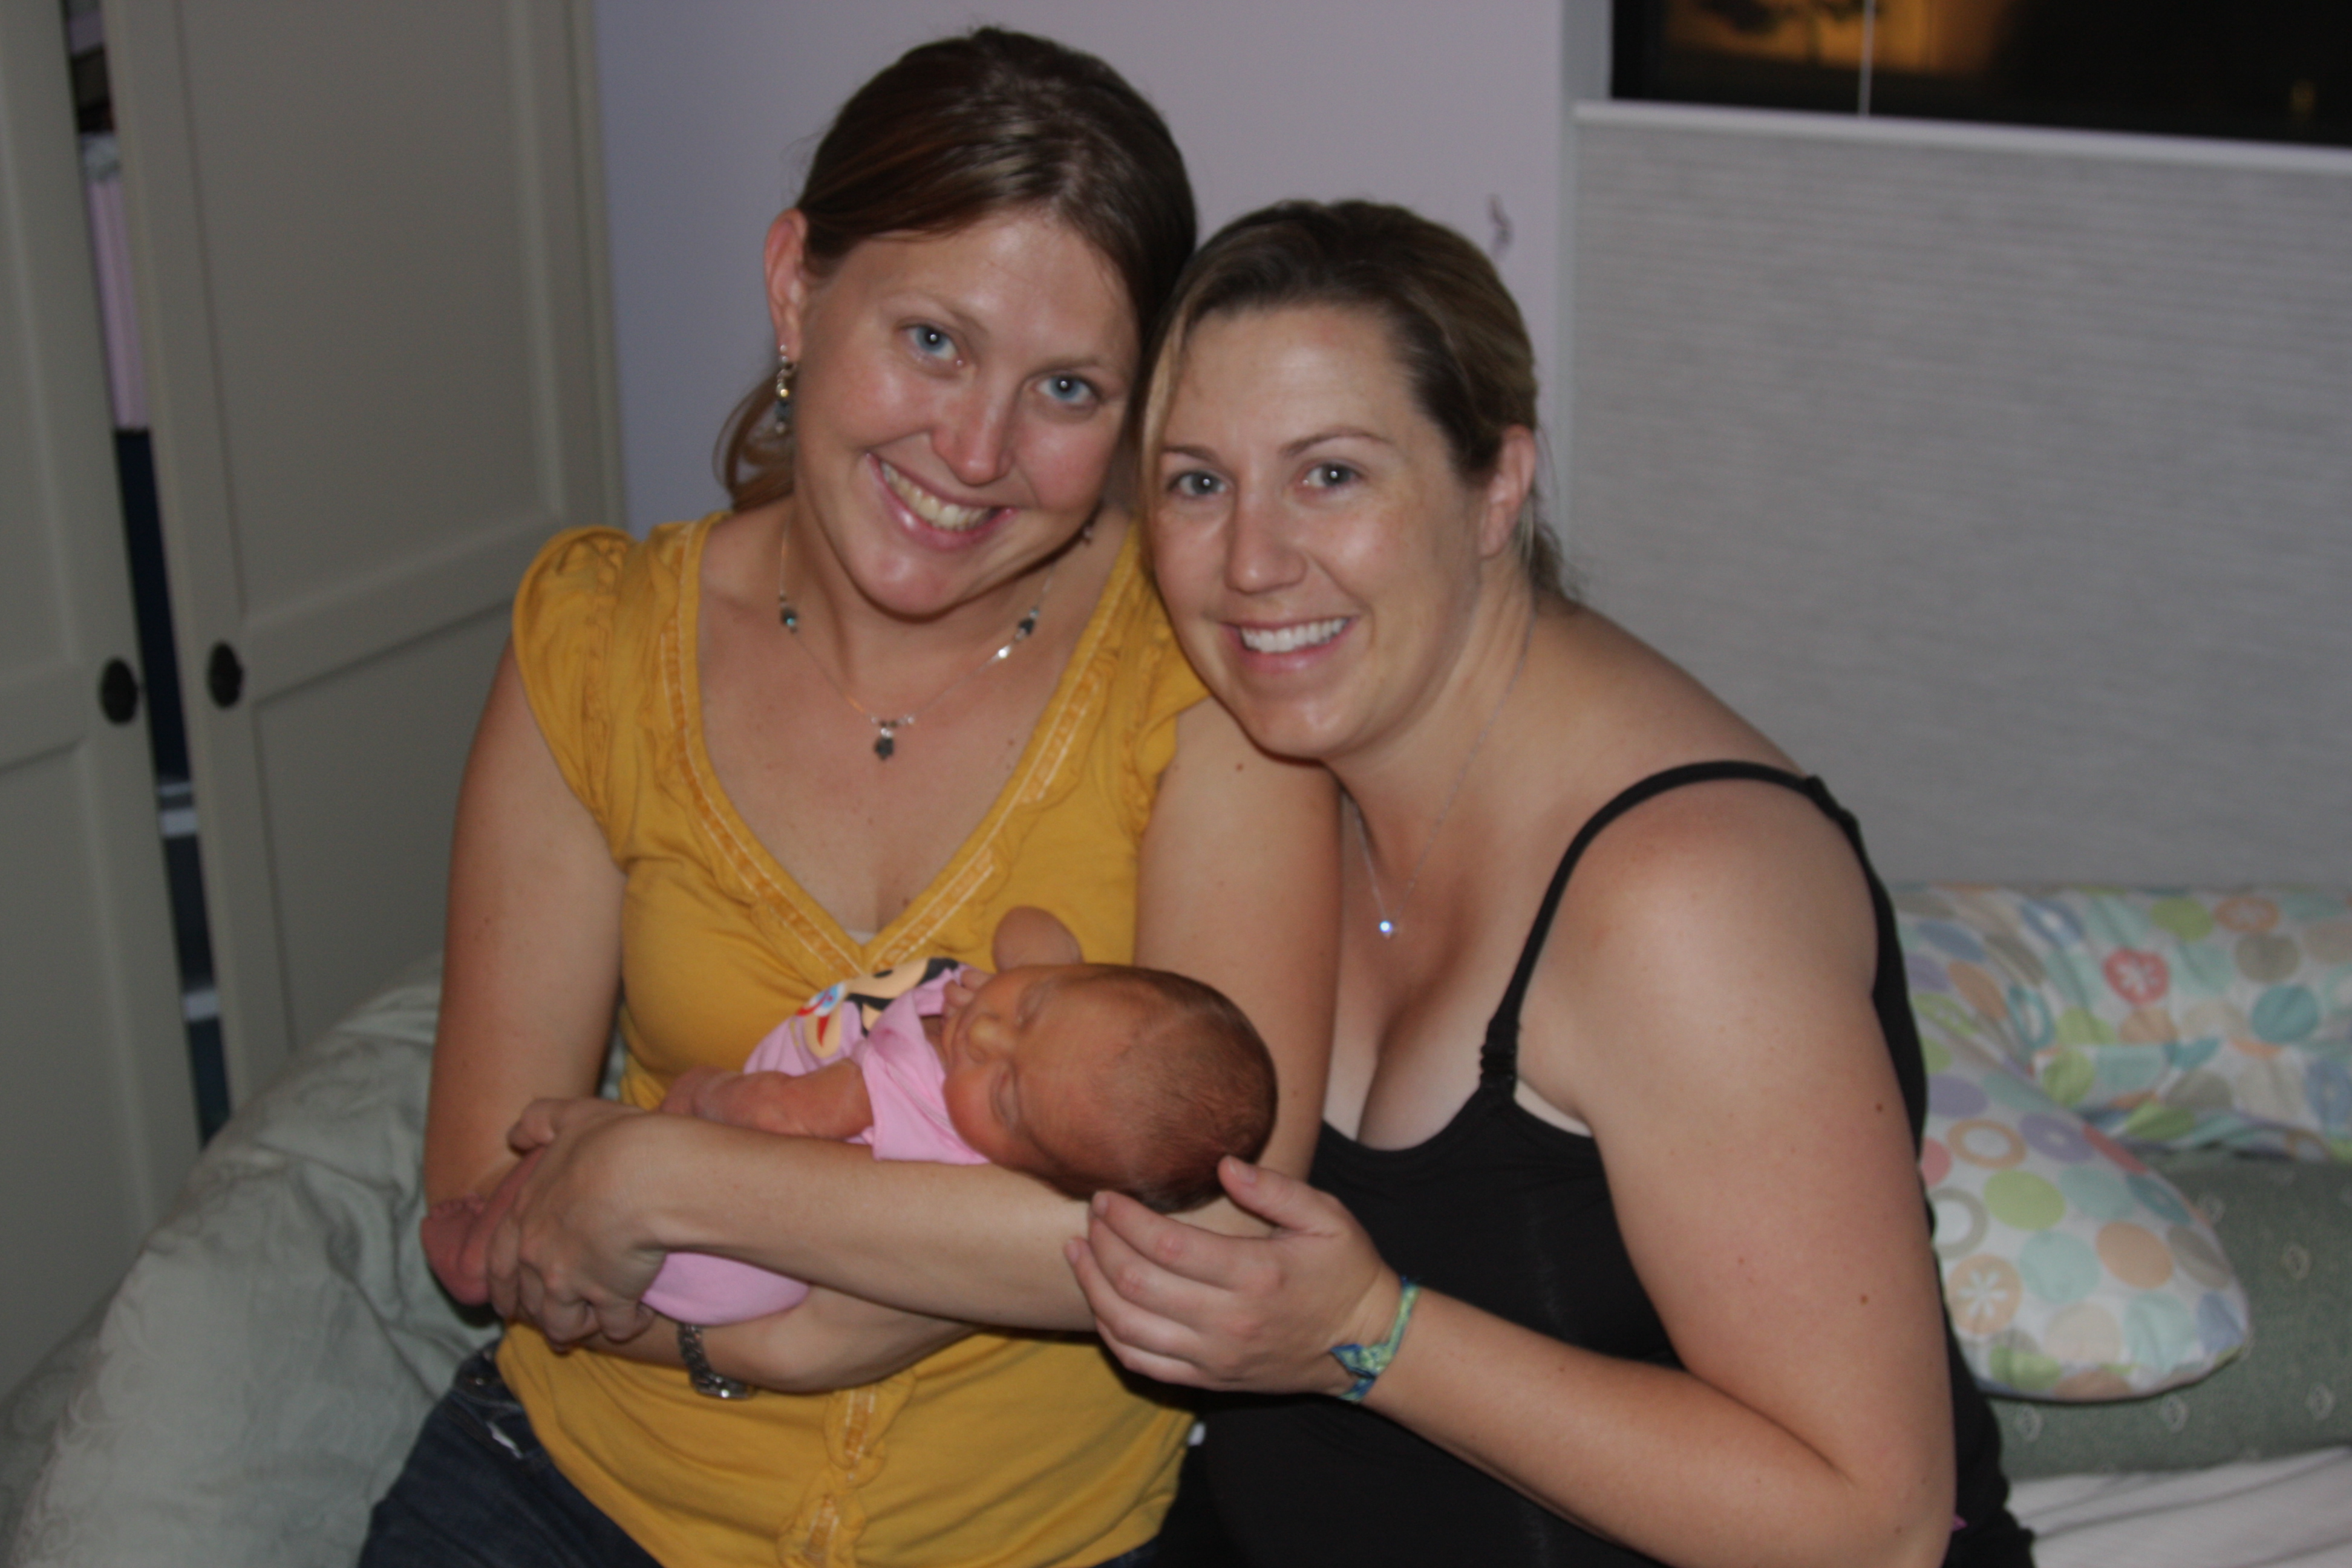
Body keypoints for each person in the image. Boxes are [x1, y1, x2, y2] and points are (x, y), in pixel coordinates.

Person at [364, 30, 1336, 1568]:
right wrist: (888, 1280)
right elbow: (492, 1206)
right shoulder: (596, 644)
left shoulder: (1204, 679)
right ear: (795, 287)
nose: (975, 450)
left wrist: (671, 1181)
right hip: (565, 1495)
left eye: (1066, 387)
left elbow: (1219, 1223)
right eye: (933, 340)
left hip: (1033, 1538)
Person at [1065, 200, 2031, 1567]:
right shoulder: (1265, 763)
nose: (1252, 563)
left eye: (1331, 475)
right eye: (1196, 483)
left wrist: (1369, 1334)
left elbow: (1871, 1525)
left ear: (1497, 485)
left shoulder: (1682, 899)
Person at [420, 907, 1277, 1325]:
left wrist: (700, 1099)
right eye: (1031, 1010)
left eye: (1005, 1093)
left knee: (582, 1153)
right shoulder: (1052, 1059)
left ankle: (477, 1250)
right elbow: (1032, 930)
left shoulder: (903, 1087)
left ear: (1038, 1169)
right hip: (720, 1230)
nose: (984, 1034)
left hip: (710, 1246)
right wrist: (1052, 978)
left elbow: (780, 1114)